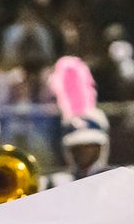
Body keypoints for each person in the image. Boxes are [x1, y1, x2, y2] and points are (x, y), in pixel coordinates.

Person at [47, 55, 110, 186]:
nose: (83, 153)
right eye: (77, 148)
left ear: (102, 148)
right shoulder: (57, 183)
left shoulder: (116, 179)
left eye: (89, 146)